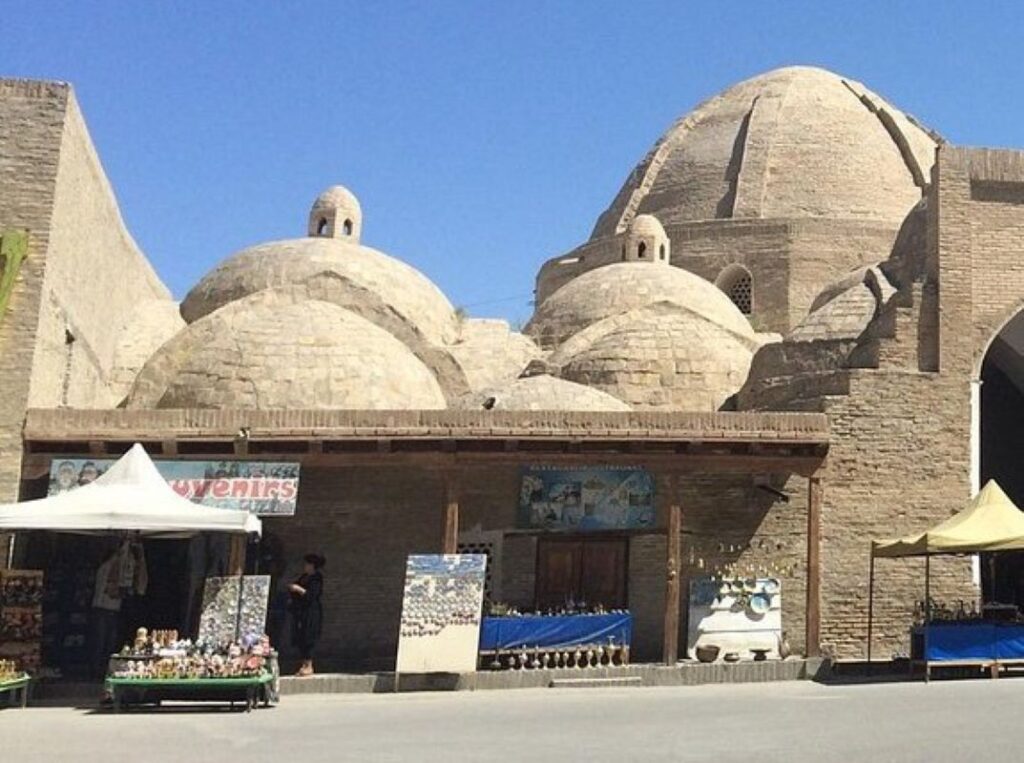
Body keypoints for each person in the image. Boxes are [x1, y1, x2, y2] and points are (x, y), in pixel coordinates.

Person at [88, 546, 123, 678]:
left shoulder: (104, 567)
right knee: (103, 641)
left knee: (104, 640)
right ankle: (98, 669)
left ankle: (99, 669)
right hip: (105, 608)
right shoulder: (109, 567)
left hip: (105, 608)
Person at [288, 553, 325, 676]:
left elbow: (312, 595)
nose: (305, 566)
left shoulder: (317, 578)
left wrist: (299, 589)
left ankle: (309, 665)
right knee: (301, 637)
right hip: (301, 612)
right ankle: (303, 663)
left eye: (307, 564)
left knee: (309, 637)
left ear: (312, 565)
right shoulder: (304, 577)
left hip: (311, 612)